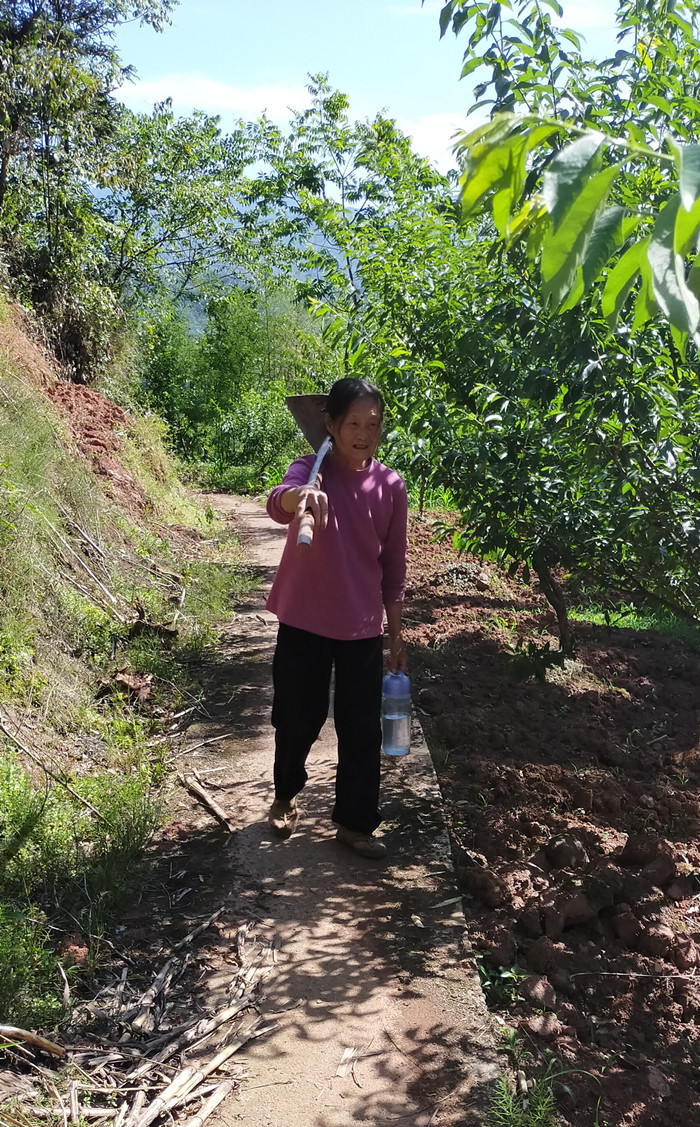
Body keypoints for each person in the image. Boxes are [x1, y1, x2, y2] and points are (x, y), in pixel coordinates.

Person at [265, 377, 408, 859]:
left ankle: (355, 823)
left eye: (374, 424)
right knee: (296, 717)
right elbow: (278, 501)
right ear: (331, 424)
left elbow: (394, 567)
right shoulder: (311, 469)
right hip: (304, 619)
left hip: (361, 626)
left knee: (362, 728)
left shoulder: (390, 486)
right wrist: (300, 498)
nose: (364, 434)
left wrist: (396, 633)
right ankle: (285, 796)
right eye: (353, 424)